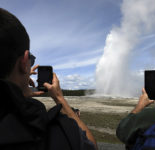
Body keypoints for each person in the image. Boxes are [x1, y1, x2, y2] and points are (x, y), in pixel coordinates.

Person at [0, 8, 97, 150]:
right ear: (24, 62)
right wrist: (59, 98)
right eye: (30, 61)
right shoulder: (44, 130)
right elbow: (91, 145)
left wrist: (18, 94)